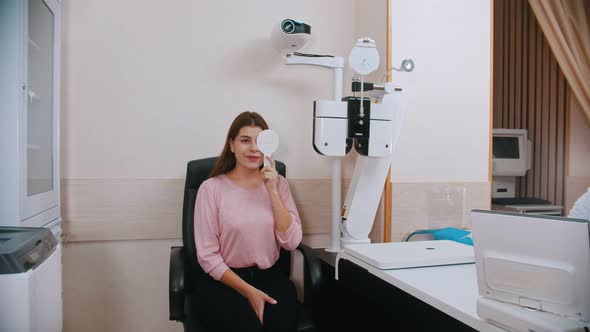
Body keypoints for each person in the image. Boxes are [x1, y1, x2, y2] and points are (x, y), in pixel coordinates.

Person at [193, 111, 303, 332]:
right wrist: (249, 292)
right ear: (232, 144)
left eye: (259, 141)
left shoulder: (279, 184)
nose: (254, 148)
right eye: (245, 140)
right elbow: (207, 256)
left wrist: (272, 191)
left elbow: (290, 242)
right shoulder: (211, 189)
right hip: (227, 281)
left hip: (271, 278)